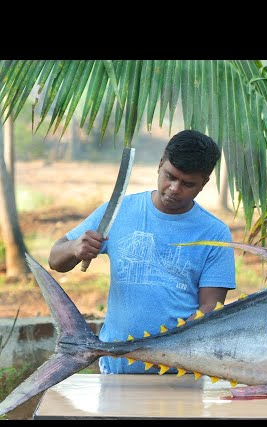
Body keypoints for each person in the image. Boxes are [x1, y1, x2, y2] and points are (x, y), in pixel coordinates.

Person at [48, 129, 237, 373]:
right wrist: (75, 248)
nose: (174, 188)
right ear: (160, 164)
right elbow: (55, 259)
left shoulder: (214, 234)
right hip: (116, 367)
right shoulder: (119, 211)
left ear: (204, 183)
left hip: (179, 372)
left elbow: (210, 309)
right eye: (170, 176)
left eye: (188, 184)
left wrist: (164, 349)